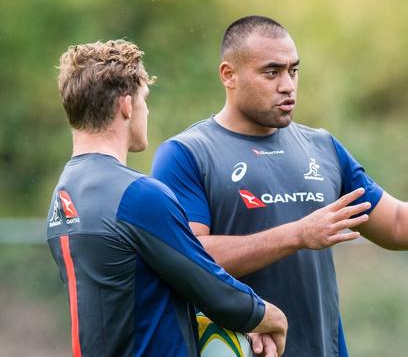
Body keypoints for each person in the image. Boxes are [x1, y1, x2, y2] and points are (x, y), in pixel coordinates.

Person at [152, 16, 408, 357]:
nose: (287, 84)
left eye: (294, 70)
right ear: (229, 75)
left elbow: (396, 223)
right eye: (271, 72)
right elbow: (189, 258)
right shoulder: (187, 154)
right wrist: (297, 235)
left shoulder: (322, 148)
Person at [46, 40, 287, 357]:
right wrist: (271, 318)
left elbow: (138, 293)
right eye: (145, 99)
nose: (147, 109)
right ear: (126, 105)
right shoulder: (136, 195)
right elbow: (212, 288)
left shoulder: (63, 195)